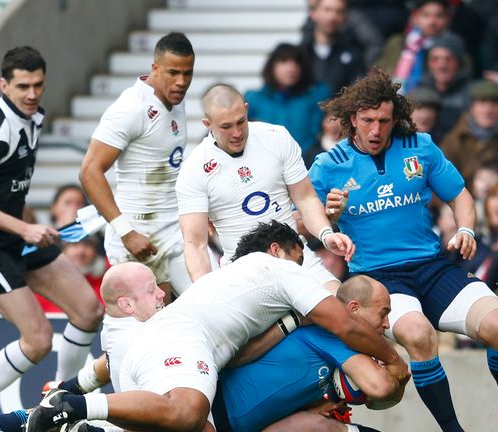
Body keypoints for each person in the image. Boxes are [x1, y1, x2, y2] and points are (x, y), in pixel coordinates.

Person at [310, 71, 498, 431]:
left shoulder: (420, 146)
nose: (376, 130)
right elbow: (300, 216)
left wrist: (465, 228)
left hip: (432, 266)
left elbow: (459, 195)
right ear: (353, 119)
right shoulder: (329, 165)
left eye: (384, 121)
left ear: (395, 118)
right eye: (368, 120)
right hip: (378, 278)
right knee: (418, 335)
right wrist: (328, 218)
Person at [26, 221, 409, 432]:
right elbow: (345, 328)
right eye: (299, 258)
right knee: (188, 411)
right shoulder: (280, 271)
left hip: (169, 344)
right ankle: (71, 406)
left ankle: (82, 423)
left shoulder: (249, 289)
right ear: (277, 251)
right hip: (182, 338)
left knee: (189, 425)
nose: (305, 269)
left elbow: (240, 356)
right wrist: (394, 360)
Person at [0, 46, 103, 431]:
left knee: (88, 310)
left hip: (16, 232)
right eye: (22, 87)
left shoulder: (34, 117)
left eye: (38, 85)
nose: (32, 94)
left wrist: (33, 225)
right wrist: (24, 228)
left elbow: (10, 187)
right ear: (3, 85)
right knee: (37, 340)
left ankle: (62, 398)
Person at [175, 84, 355, 293]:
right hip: (242, 273)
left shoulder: (276, 137)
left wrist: (326, 235)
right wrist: (205, 294)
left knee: (342, 310)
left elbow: (305, 198)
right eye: (226, 127)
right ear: (208, 124)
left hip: (296, 256)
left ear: (246, 109)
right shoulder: (194, 168)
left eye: (241, 121)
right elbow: (195, 244)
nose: (236, 133)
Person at [79, 32, 199, 297]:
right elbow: (89, 171)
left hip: (174, 231)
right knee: (153, 327)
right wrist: (126, 232)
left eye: (187, 73)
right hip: (140, 236)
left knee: (209, 310)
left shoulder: (175, 99)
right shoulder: (131, 107)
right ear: (155, 69)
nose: (181, 82)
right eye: (173, 73)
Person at [245, 43, 332, 156]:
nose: (291, 68)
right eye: (284, 61)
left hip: (306, 164)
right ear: (272, 66)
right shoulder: (254, 99)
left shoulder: (316, 96)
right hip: (265, 163)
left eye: (296, 62)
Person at [440, 80, 498, 184]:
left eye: (494, 104)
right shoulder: (454, 139)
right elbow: (447, 182)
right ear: (472, 108)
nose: (488, 110)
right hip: (465, 197)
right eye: (482, 103)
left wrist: (497, 188)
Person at [299, 0, 367, 94]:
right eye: (327, 10)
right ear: (313, 13)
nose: (332, 17)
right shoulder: (300, 54)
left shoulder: (354, 55)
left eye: (339, 11)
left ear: (344, 17)